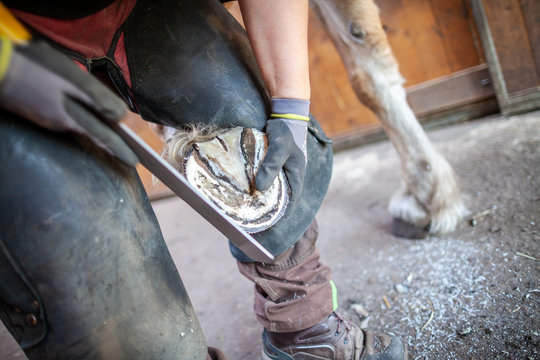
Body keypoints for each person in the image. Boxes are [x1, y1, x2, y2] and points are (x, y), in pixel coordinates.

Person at [0, 0, 407, 359]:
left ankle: (305, 327)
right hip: (14, 42)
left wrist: (291, 107)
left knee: (256, 127)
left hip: (136, 7)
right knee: (98, 285)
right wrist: (7, 68)